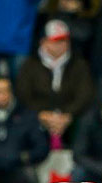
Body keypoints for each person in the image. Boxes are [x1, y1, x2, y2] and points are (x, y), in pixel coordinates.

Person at [17, 19, 96, 147]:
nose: (61, 45)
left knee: (87, 119)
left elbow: (85, 94)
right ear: (43, 42)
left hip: (71, 117)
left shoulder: (79, 64)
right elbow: (23, 94)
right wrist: (41, 114)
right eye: (56, 41)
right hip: (38, 116)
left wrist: (67, 115)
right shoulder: (30, 65)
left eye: (64, 40)